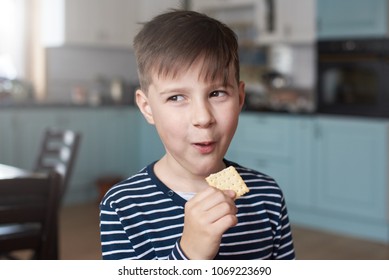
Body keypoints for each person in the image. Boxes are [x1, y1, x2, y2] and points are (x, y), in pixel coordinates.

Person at [100, 9, 295, 260]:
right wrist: (190, 253)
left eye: (217, 94)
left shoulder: (267, 194)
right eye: (177, 97)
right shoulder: (123, 206)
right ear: (147, 108)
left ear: (240, 98)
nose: (203, 118)